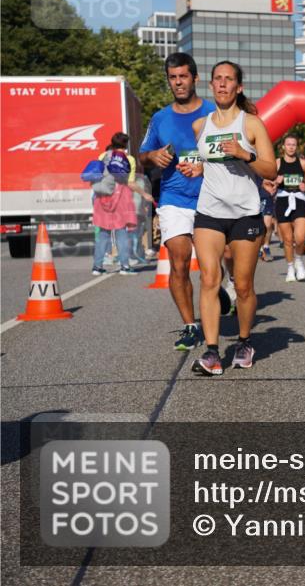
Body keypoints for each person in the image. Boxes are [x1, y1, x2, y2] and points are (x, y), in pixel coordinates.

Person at [182, 61, 277, 376]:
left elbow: (270, 169)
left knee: (244, 285)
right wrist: (196, 168)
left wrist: (244, 153)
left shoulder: (251, 124)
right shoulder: (200, 126)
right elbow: (208, 164)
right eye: (217, 79)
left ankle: (244, 341)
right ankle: (211, 353)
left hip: (245, 213)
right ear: (211, 85)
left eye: (229, 80)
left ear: (238, 87)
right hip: (209, 212)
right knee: (209, 279)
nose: (222, 84)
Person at [138, 52, 216, 351]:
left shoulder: (213, 113)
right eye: (173, 77)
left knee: (216, 267)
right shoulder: (160, 118)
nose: (178, 82)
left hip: (211, 198)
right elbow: (142, 156)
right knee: (179, 262)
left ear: (195, 78)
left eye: (183, 76)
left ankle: (224, 290)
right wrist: (151, 156)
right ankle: (190, 325)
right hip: (174, 198)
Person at [92, 133, 143, 275]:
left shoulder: (103, 156)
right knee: (121, 233)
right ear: (126, 145)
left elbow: (97, 176)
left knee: (103, 234)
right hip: (121, 197)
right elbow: (130, 183)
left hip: (103, 197)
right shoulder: (129, 159)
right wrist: (144, 194)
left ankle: (97, 267)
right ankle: (125, 266)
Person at [274, 136, 305, 282]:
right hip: (283, 200)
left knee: (300, 237)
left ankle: (299, 260)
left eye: (293, 145)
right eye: (288, 144)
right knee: (288, 240)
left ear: (296, 147)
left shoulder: (303, 163)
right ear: (283, 147)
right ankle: (290, 267)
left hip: (299, 199)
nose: (291, 147)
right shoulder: (277, 163)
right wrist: (276, 180)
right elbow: (269, 180)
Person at [258, 178, 277, 261]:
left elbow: (276, 179)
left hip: (266, 198)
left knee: (267, 225)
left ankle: (266, 247)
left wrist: (274, 186)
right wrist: (263, 182)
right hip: (253, 198)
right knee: (257, 226)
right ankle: (259, 248)